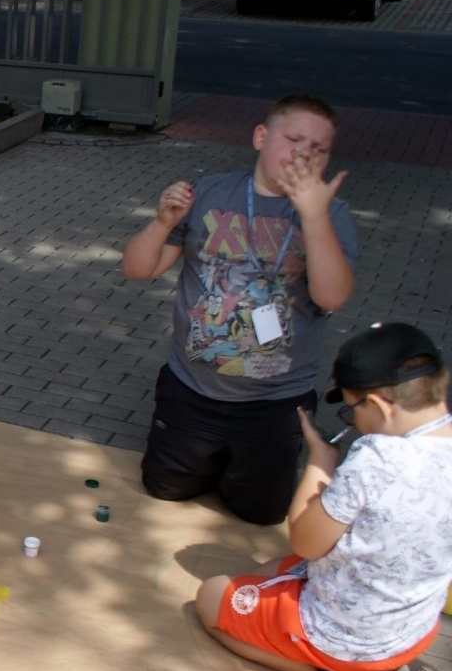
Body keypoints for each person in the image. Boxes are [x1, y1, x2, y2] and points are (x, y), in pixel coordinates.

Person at [193, 323, 452, 671]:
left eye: (353, 411)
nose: (355, 424)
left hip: (343, 639)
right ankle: (393, 660)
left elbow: (306, 541)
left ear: (380, 405)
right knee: (270, 568)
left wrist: (321, 461)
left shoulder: (376, 459)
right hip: (415, 627)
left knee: (210, 598)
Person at [121, 94, 359, 526]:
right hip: (192, 390)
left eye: (318, 148)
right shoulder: (211, 193)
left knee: (260, 515)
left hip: (275, 401)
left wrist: (313, 215)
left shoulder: (333, 214)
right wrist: (161, 222)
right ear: (261, 137)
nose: (304, 153)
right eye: (294, 139)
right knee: (164, 492)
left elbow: (332, 297)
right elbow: (139, 269)